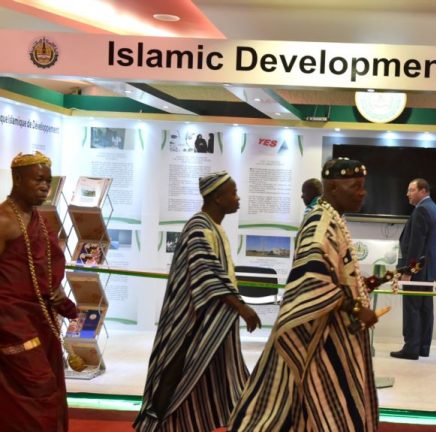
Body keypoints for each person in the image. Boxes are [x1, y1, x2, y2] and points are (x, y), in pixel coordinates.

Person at [229, 158, 379, 431]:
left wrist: (359, 285)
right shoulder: (320, 223)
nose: (362, 192)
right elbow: (312, 277)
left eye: (363, 185)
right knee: (324, 405)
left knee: (312, 407)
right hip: (319, 337)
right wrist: (357, 308)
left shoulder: (330, 219)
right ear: (333, 188)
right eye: (355, 186)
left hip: (332, 332)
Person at [134, 171, 261, 432]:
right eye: (233, 192)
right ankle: (155, 424)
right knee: (176, 373)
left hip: (212, 322)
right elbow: (207, 272)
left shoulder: (214, 228)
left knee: (209, 377)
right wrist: (241, 307)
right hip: (191, 321)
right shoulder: (198, 228)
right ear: (216, 196)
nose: (238, 198)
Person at [0, 151, 79, 432]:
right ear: (18, 179)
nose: (45, 186)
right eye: (38, 180)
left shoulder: (39, 219)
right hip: (13, 325)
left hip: (41, 321)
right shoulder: (3, 220)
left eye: (48, 180)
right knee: (38, 391)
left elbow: (44, 272)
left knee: (52, 390)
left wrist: (64, 303)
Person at [391, 178, 436, 360]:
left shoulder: (421, 210)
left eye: (411, 190)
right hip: (429, 271)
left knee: (413, 308)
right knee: (425, 309)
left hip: (418, 271)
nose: (407, 194)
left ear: (423, 191)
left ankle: (411, 348)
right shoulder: (434, 209)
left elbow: (416, 245)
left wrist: (408, 271)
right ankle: (422, 347)